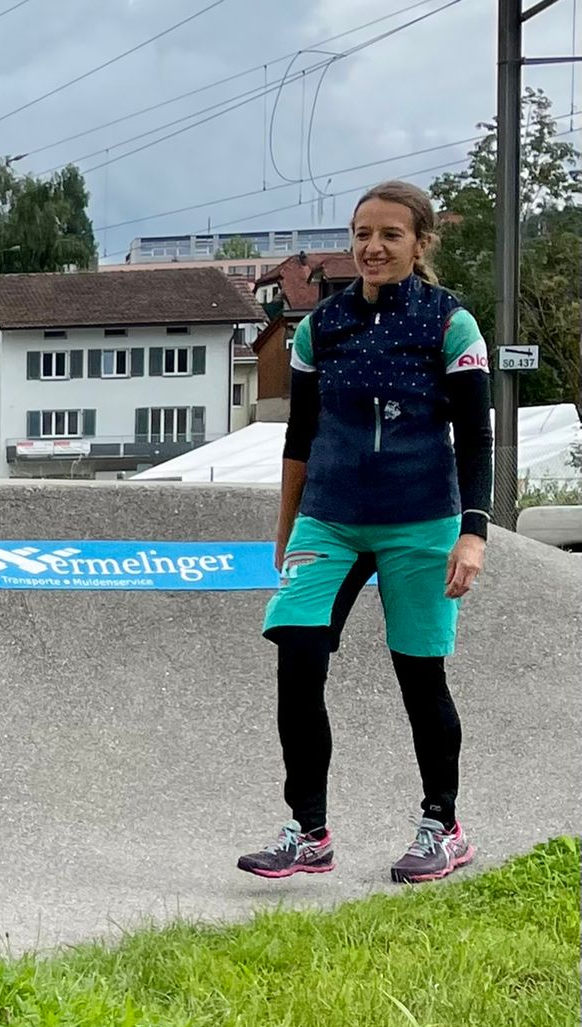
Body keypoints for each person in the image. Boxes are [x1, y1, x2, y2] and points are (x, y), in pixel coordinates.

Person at [240, 179, 492, 885]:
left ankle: (443, 826)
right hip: (331, 518)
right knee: (297, 654)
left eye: (390, 235)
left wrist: (473, 533)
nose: (372, 247)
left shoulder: (451, 323)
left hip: (422, 521)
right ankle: (308, 831)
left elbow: (476, 438)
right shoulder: (321, 326)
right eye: (361, 234)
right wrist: (286, 528)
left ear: (420, 243)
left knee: (419, 675)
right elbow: (299, 437)